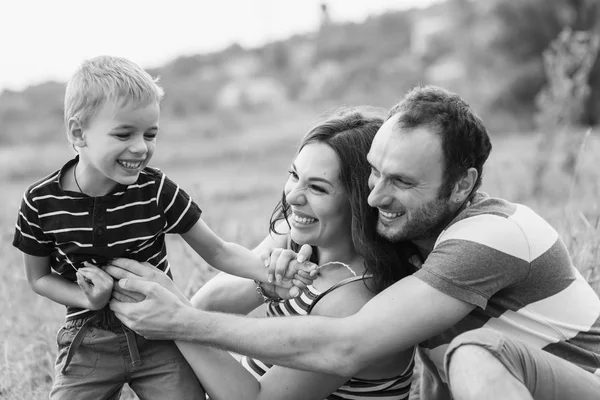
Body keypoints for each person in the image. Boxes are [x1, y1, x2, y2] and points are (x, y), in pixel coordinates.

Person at [109, 85, 600, 400]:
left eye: (402, 182)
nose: (378, 194)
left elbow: (348, 345)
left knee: (476, 350)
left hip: (578, 383)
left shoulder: (490, 236)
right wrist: (273, 263)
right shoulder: (402, 242)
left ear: (461, 185)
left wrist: (181, 321)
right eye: (374, 174)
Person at [12, 55, 308, 400]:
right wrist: (87, 299)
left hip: (160, 331)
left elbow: (218, 250)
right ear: (79, 133)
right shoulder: (39, 201)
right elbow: (39, 278)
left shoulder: (155, 190)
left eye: (149, 134)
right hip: (89, 339)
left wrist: (270, 271)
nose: (140, 147)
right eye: (124, 133)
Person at [106, 109, 419, 399]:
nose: (294, 196)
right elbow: (206, 304)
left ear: (364, 202)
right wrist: (264, 281)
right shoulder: (300, 241)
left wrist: (175, 317)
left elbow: (257, 397)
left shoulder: (353, 299)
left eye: (318, 188)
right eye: (294, 175)